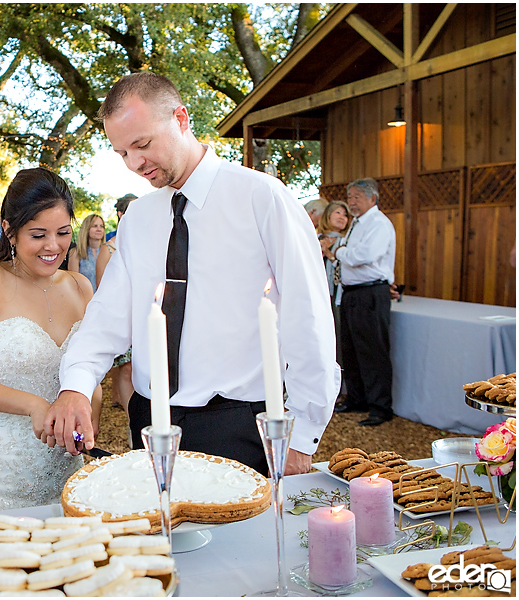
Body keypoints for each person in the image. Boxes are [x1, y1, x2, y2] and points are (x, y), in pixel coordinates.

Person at [47, 73, 338, 476]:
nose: (134, 164)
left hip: (238, 425)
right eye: (121, 153)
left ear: (181, 118)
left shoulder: (262, 198)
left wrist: (303, 434)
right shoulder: (138, 218)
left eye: (142, 144)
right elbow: (107, 317)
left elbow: (309, 318)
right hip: (150, 419)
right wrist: (76, 384)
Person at [0, 168, 100, 513]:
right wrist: (35, 405)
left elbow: (91, 375)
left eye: (62, 233)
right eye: (38, 234)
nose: (53, 246)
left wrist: (87, 420)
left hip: (64, 474)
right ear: (10, 232)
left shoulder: (80, 288)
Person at [321, 178, 395, 427]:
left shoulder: (379, 224)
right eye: (349, 197)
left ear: (372, 198)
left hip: (371, 293)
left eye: (356, 197)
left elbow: (364, 256)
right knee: (351, 349)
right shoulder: (357, 224)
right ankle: (357, 398)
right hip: (352, 292)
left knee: (373, 350)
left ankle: (380, 407)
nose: (351, 202)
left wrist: (338, 251)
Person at [95, 194, 137, 417]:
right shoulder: (108, 250)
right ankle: (133, 422)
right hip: (122, 316)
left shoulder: (146, 242)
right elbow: (103, 289)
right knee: (127, 368)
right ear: (121, 214)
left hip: (146, 316)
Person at [317, 201, 353, 375]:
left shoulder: (345, 241)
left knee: (336, 336)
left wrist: (330, 255)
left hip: (336, 295)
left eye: (345, 215)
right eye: (338, 213)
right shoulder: (315, 238)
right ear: (328, 215)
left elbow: (345, 270)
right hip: (316, 295)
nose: (342, 217)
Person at [74, 214, 106, 292]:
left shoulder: (109, 252)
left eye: (101, 226)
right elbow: (73, 285)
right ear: (86, 229)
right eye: (95, 226)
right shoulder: (76, 253)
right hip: (85, 301)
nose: (99, 229)